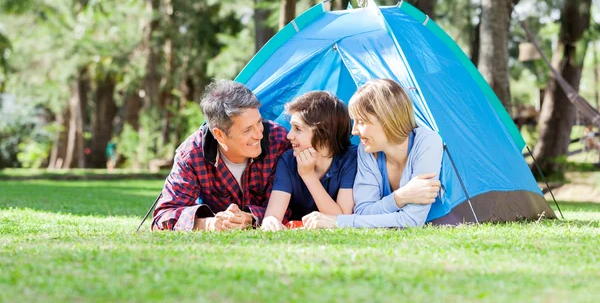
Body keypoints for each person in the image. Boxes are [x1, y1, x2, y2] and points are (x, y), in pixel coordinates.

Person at [302, 79, 443, 229]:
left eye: (361, 122)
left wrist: (338, 222)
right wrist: (401, 196)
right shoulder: (368, 150)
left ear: (387, 120)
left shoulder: (427, 142)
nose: (354, 131)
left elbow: (412, 220)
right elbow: (363, 211)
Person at [151, 80, 290, 231]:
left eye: (259, 122)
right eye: (247, 130)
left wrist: (250, 218)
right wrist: (209, 224)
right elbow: (162, 217)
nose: (259, 134)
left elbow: (295, 206)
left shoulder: (279, 142)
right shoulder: (191, 155)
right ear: (219, 135)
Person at [261, 91, 357, 231]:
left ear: (324, 135)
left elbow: (340, 219)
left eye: (298, 129)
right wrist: (270, 221)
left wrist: (308, 175)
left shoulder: (350, 159)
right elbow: (273, 215)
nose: (289, 136)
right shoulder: (288, 160)